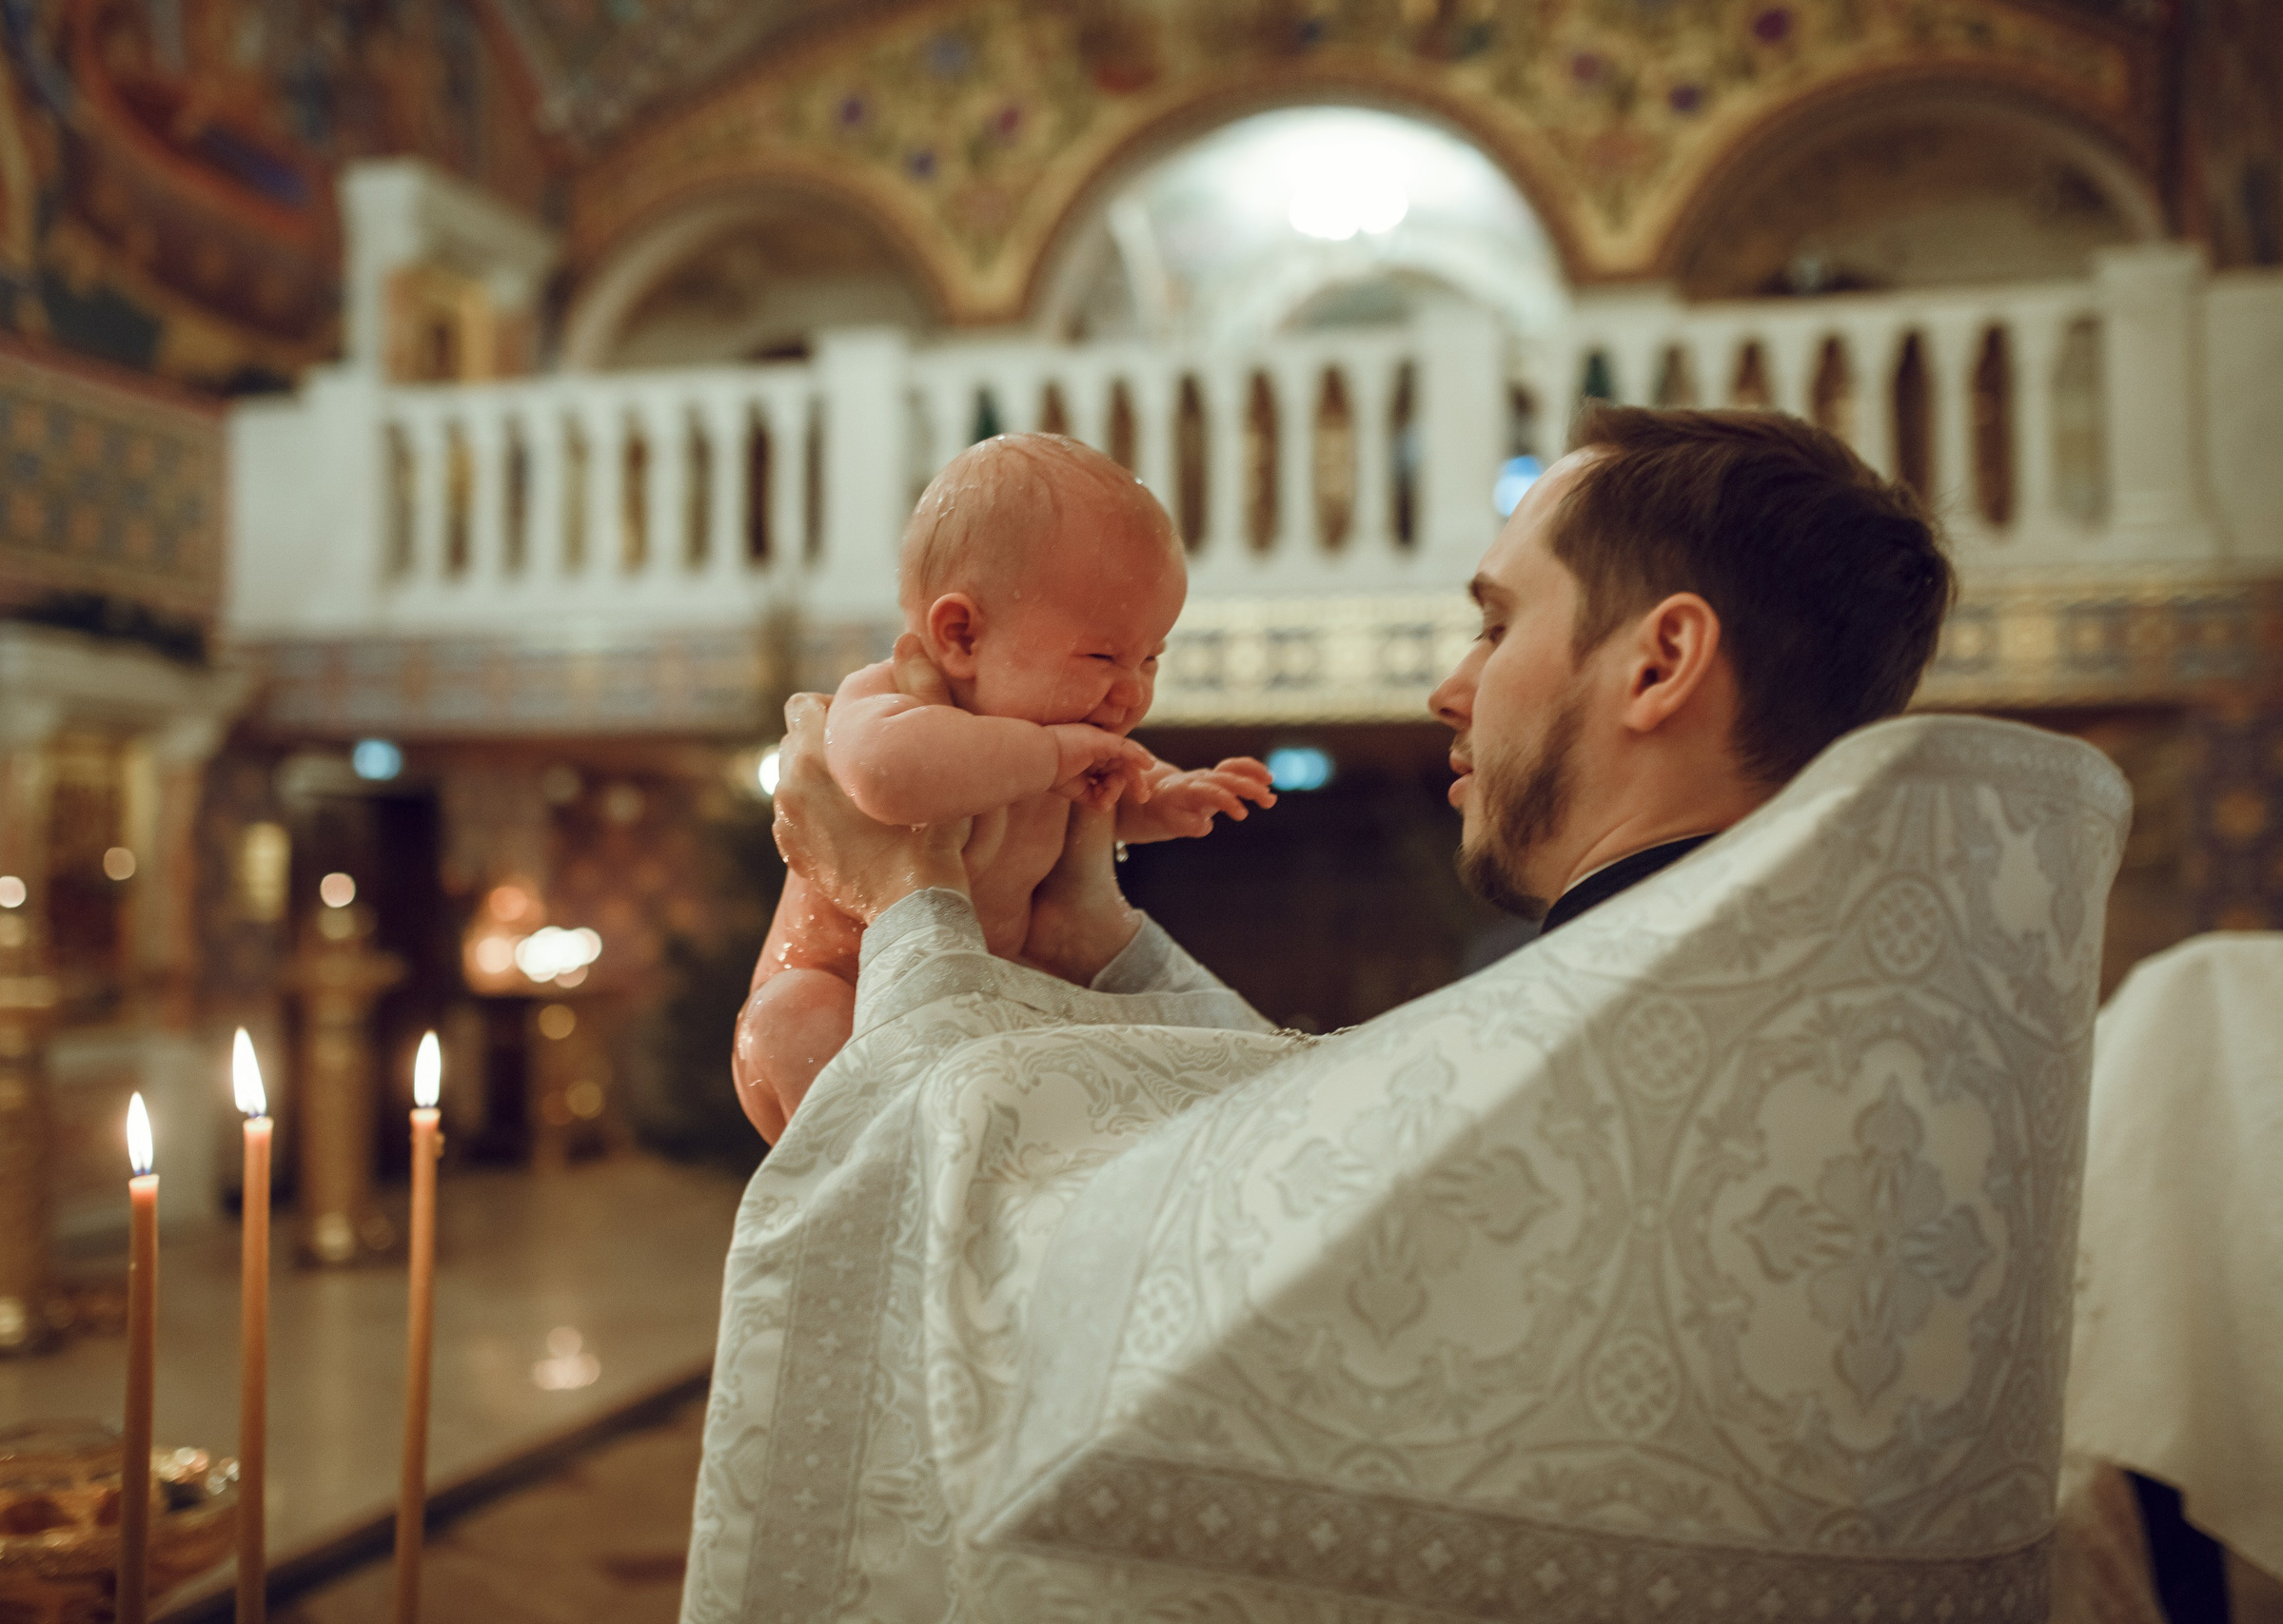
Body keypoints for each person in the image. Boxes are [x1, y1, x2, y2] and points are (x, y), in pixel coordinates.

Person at [683, 405, 2133, 1622]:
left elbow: (1042, 1315)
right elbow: (1316, 1171)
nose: (1449, 687)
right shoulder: (1785, 1045)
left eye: (1496, 623)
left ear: (1663, 661)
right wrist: (1101, 941)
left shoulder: (1634, 1040)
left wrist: (909, 897)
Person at [732, 434, 1275, 1142]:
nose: (1134, 689)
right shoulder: (893, 695)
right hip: (838, 998)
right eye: (1104, 655)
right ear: (960, 635)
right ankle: (856, 1164)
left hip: (963, 1004)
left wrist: (1163, 796)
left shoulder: (1053, 734)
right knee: (795, 1012)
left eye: (1150, 658)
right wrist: (1047, 754)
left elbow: (1109, 794)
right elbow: (883, 777)